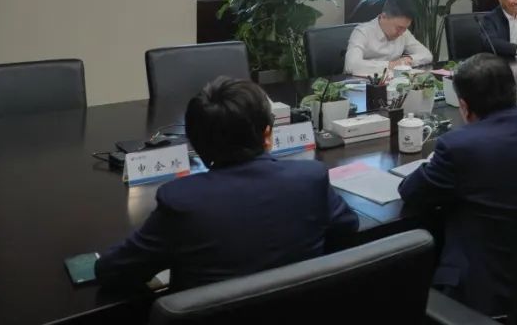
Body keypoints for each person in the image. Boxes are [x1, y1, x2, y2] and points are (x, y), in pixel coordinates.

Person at [95, 78, 359, 291]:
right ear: (268, 135)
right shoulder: (310, 178)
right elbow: (348, 226)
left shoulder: (182, 202)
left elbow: (112, 270)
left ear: (196, 145)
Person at [398, 54, 517, 317]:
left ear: (464, 106)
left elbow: (412, 192)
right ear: (514, 91)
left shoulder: (458, 146)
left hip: (480, 297)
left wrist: (433, 163)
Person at [344, 0, 432, 75]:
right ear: (383, 17)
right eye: (399, 28)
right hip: (361, 83)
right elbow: (351, 65)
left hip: (392, 82)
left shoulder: (404, 33)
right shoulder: (362, 32)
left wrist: (409, 59)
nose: (401, 33)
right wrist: (391, 65)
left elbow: (427, 55)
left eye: (405, 28)